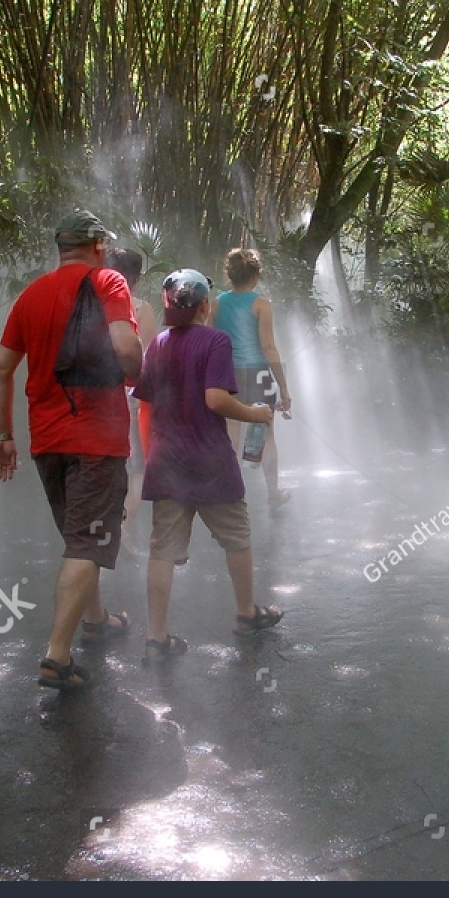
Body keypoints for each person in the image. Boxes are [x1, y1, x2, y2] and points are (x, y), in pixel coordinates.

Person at [0, 209, 142, 691]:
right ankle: (56, 655)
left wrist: (2, 435)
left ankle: (96, 620)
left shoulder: (31, 295)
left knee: (82, 538)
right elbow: (125, 346)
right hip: (96, 438)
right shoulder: (109, 281)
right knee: (86, 542)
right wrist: (141, 376)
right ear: (98, 244)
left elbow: (0, 369)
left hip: (47, 441)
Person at [132, 269, 285, 661]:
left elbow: (145, 400)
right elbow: (216, 400)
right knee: (236, 536)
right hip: (210, 459)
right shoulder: (216, 341)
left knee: (162, 549)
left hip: (167, 461)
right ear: (203, 305)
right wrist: (254, 414)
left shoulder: (158, 345)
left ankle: (155, 637)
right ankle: (246, 614)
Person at [215, 247, 293, 508]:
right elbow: (269, 348)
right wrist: (284, 388)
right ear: (256, 275)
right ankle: (273, 494)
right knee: (267, 435)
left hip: (229, 374)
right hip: (259, 373)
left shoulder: (216, 303)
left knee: (230, 432)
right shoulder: (261, 303)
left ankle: (226, 493)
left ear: (230, 274)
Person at [105, 246, 160, 554]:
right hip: (130, 398)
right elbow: (149, 361)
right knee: (140, 469)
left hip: (97, 398)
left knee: (110, 468)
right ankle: (120, 529)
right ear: (136, 281)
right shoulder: (140, 308)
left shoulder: (92, 306)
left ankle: (103, 532)